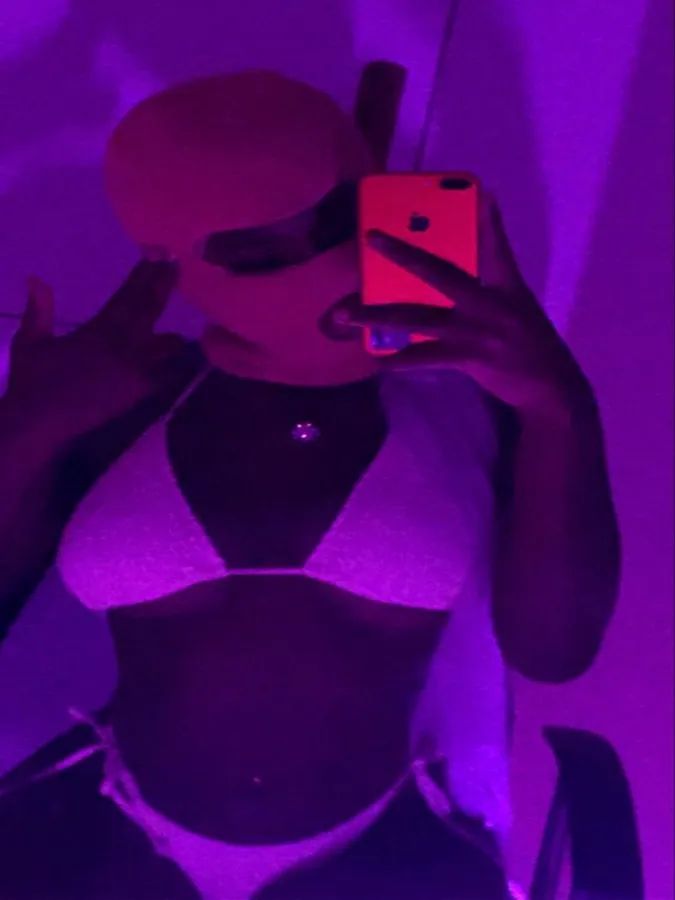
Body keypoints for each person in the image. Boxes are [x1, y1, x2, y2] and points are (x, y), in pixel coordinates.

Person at [0, 68, 620, 899]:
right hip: (100, 837)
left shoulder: (469, 403)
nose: (316, 269)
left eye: (336, 225)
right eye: (260, 253)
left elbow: (555, 649)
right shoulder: (123, 392)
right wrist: (27, 428)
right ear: (174, 261)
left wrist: (557, 403)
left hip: (382, 858)